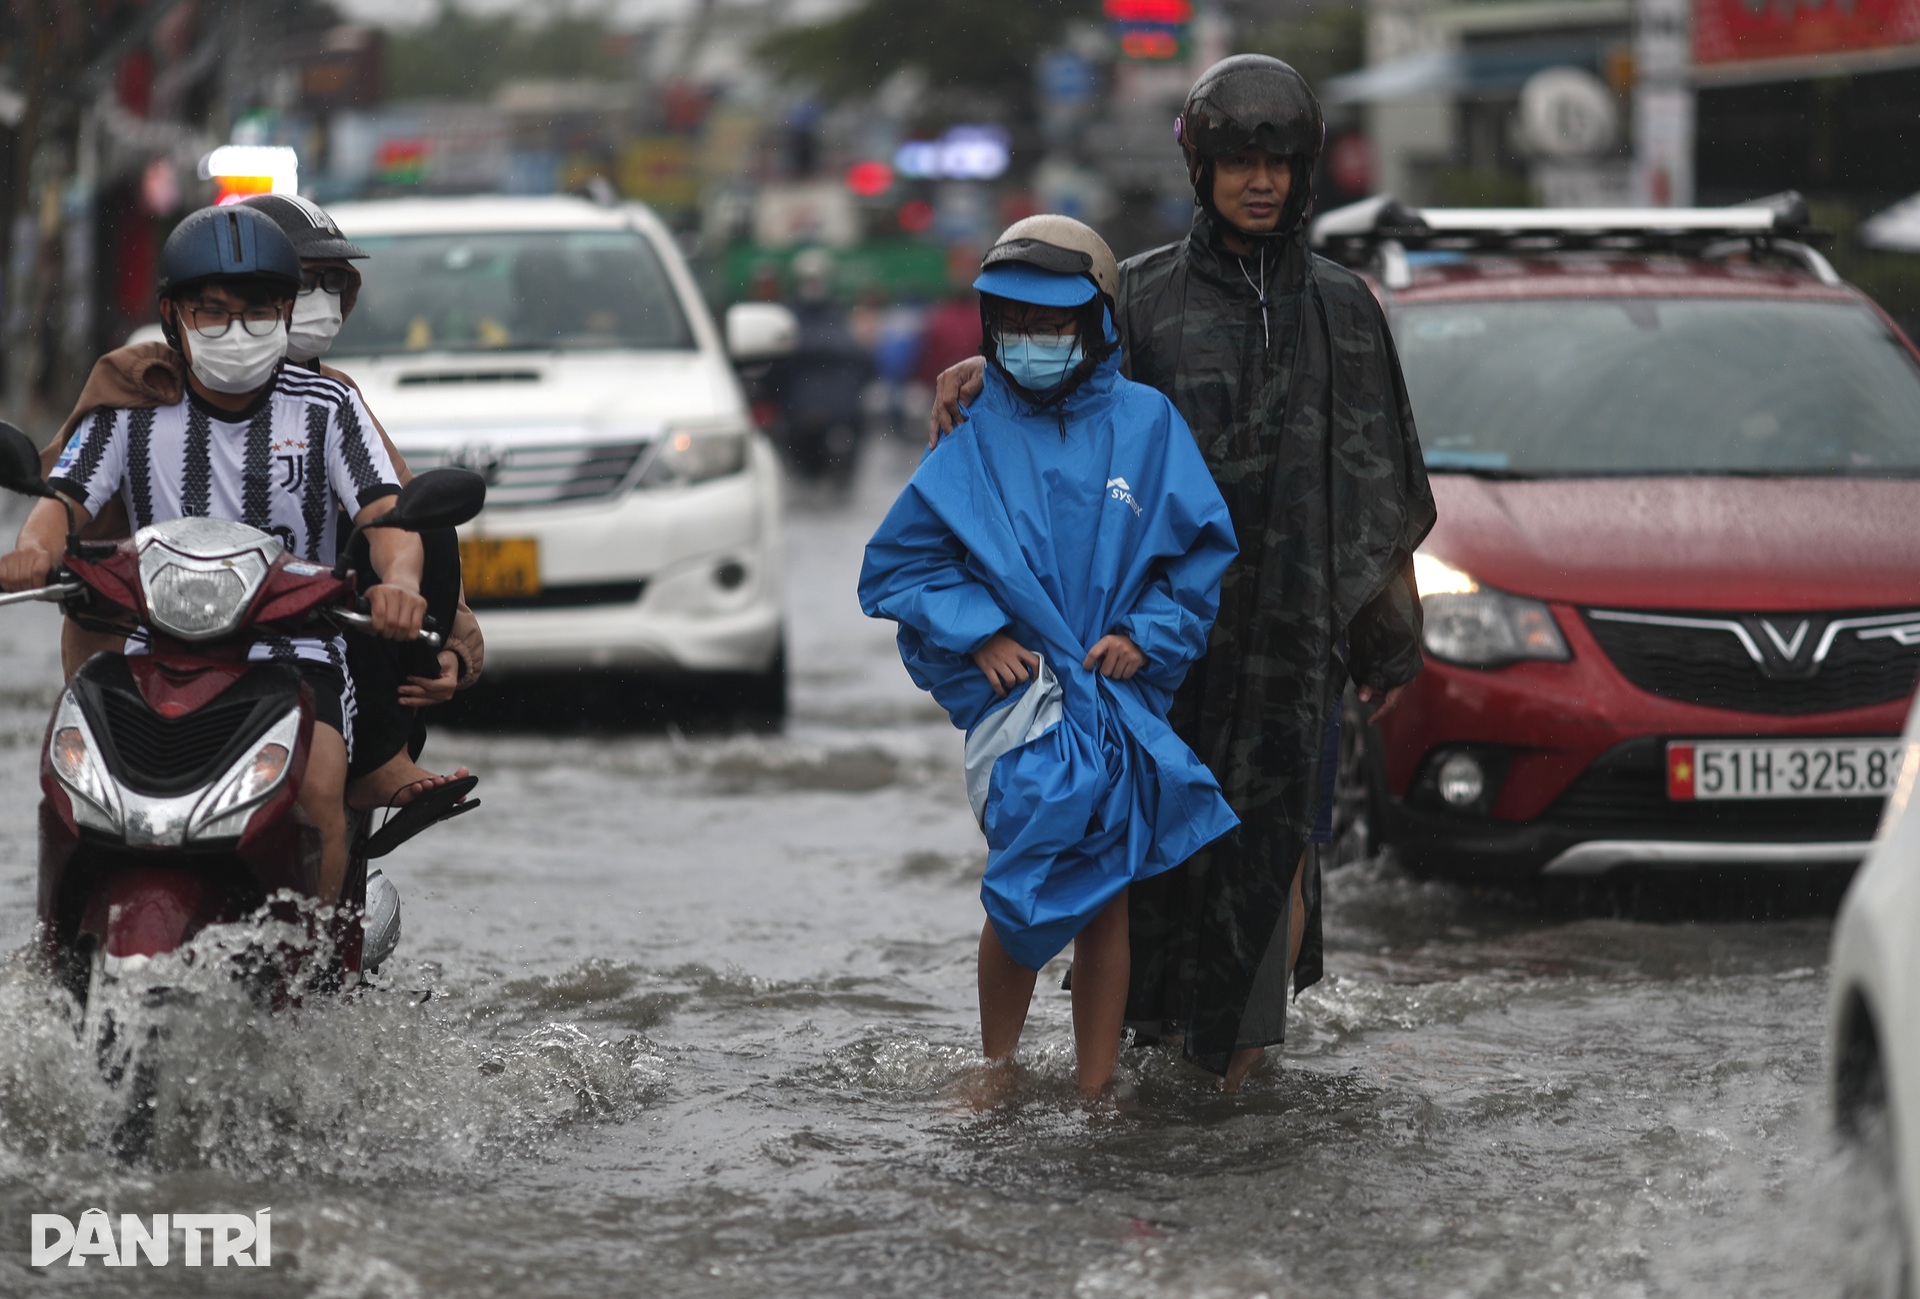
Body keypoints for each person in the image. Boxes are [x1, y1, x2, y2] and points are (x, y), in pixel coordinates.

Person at [930, 57, 1436, 1089]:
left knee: (1273, 848)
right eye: (1240, 161)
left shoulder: (1346, 308)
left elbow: (1381, 489)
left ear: (1305, 174)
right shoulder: (1146, 297)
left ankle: (1240, 1076)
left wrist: (1388, 635)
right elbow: (1062, 391)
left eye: (1280, 163)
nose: (1261, 182)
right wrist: (984, 374)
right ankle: (1120, 1068)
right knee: (1135, 846)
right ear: (1201, 166)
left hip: (1294, 639)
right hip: (1150, 640)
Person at [861, 216, 1239, 1095]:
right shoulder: (974, 429)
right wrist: (981, 632)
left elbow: (1199, 553)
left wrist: (1148, 632)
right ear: (992, 328)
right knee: (1022, 887)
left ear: (1099, 321)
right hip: (1027, 707)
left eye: (1054, 324)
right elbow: (905, 561)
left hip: (1115, 701)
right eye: (1015, 327)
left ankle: (1092, 1087)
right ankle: (996, 1065)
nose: (1033, 343)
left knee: (1106, 896)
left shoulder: (1147, 424)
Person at [0, 205, 426, 906]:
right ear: (174, 316)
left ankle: (316, 975)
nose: (238, 331)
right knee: (68, 790)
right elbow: (58, 507)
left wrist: (401, 582)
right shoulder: (126, 412)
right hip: (148, 653)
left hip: (298, 654)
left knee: (319, 789)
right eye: (213, 312)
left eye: (259, 311)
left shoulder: (329, 409)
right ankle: (61, 958)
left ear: (286, 312)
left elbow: (388, 515)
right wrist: (30, 553)